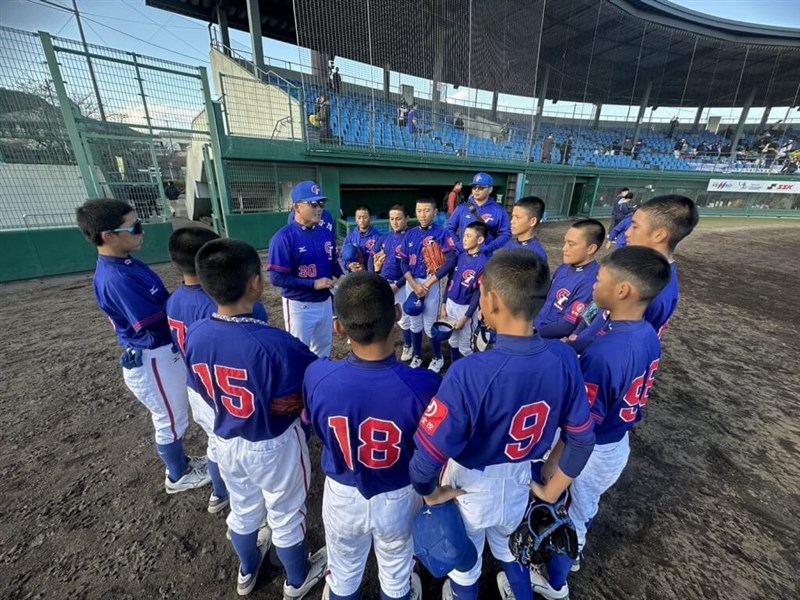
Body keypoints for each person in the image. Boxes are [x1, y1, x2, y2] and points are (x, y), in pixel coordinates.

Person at [408, 249, 596, 600]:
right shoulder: (565, 357)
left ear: (490, 300)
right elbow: (582, 440)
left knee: (466, 564)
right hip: (521, 476)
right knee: (511, 549)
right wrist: (551, 491)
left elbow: (425, 461)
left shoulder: (469, 372)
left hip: (471, 483)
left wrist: (431, 493)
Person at [186, 239, 327, 598]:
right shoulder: (276, 342)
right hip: (274, 441)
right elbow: (314, 386)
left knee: (245, 509)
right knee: (284, 513)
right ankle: (297, 579)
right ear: (254, 283)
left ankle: (247, 571)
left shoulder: (197, 333)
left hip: (227, 438)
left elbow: (201, 389)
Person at [532, 246, 671, 600]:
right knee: (583, 507)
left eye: (601, 279)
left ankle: (555, 584)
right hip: (616, 440)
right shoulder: (647, 334)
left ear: (623, 290)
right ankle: (569, 557)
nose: (594, 284)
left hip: (594, 448)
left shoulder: (604, 354)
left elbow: (582, 431)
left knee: (569, 513)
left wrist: (553, 463)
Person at [304, 272, 441, 600]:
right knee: (396, 574)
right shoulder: (425, 384)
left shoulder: (317, 375)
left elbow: (314, 427)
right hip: (398, 493)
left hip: (342, 494)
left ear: (339, 327)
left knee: (343, 576)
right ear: (397, 314)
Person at [75, 199, 210, 495]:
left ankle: (183, 464)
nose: (141, 231)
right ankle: (178, 475)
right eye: (134, 226)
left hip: (159, 354)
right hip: (152, 356)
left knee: (174, 416)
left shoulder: (126, 262)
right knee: (171, 419)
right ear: (108, 236)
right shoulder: (117, 277)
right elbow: (153, 323)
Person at [165, 226, 270, 514]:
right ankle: (242, 499)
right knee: (241, 447)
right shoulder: (215, 303)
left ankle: (219, 492)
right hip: (226, 385)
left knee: (216, 442)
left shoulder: (173, 299)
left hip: (197, 383)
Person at [568, 194, 699, 353]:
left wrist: (578, 346)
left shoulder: (655, 292)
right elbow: (598, 308)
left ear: (659, 235)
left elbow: (624, 346)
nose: (627, 233)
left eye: (635, 226)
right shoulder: (633, 264)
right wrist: (578, 333)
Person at [268, 181, 342, 358]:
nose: (319, 209)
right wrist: (313, 284)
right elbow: (276, 278)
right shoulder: (283, 238)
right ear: (297, 207)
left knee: (323, 351)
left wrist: (343, 277)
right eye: (313, 204)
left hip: (325, 303)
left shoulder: (325, 232)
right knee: (298, 354)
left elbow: (333, 263)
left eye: (321, 203)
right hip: (299, 306)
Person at [399, 197, 457, 373]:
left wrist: (429, 283)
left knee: (430, 324)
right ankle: (417, 356)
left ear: (435, 212)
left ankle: (437, 358)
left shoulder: (442, 234)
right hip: (413, 283)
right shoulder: (410, 233)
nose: (422, 215)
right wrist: (413, 284)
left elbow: (451, 260)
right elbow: (403, 261)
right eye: (419, 211)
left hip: (432, 283)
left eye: (426, 210)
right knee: (414, 322)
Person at [534, 219, 604, 340]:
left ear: (590, 249)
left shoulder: (591, 281)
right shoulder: (565, 267)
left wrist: (532, 332)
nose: (564, 248)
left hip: (550, 339)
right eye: (565, 242)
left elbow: (568, 324)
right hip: (537, 326)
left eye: (571, 244)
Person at [440, 221, 490, 362]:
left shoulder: (483, 263)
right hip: (451, 304)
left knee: (465, 346)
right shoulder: (460, 256)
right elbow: (450, 282)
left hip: (466, 309)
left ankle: (465, 374)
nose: (464, 239)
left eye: (469, 236)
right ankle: (454, 369)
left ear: (480, 240)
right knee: (453, 341)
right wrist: (444, 304)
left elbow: (477, 294)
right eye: (464, 235)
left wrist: (466, 317)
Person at [371, 204, 414, 360]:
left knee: (404, 319)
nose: (395, 222)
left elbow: (412, 267)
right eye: (392, 219)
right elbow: (373, 256)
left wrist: (397, 285)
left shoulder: (411, 237)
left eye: (398, 218)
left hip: (402, 284)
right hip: (383, 282)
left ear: (407, 218)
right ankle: (383, 346)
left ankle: (409, 345)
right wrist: (375, 275)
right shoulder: (385, 237)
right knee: (383, 317)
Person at [446, 172, 511, 254]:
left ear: (490, 189)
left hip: (486, 257)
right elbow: (449, 228)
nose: (476, 190)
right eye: (474, 187)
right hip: (463, 255)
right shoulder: (462, 208)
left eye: (481, 188)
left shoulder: (499, 210)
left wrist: (489, 247)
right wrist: (459, 245)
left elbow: (506, 234)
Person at [504, 196, 548, 262]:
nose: (512, 221)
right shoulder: (509, 245)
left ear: (532, 221)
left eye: (518, 217)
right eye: (512, 216)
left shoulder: (536, 254)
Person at [341, 205, 382, 273]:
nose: (362, 220)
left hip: (371, 275)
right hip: (354, 276)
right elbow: (342, 256)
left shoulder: (378, 237)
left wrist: (367, 270)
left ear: (370, 218)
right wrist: (348, 265)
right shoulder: (350, 237)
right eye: (359, 217)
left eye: (365, 217)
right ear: (355, 219)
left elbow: (381, 259)